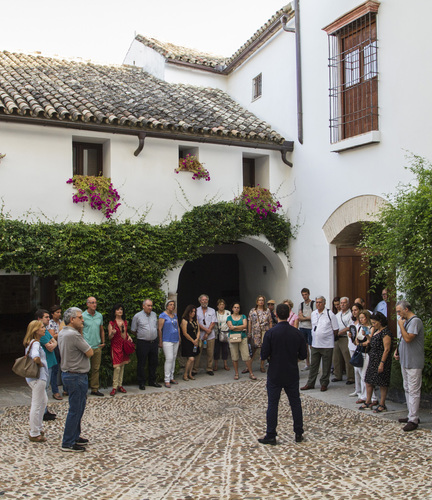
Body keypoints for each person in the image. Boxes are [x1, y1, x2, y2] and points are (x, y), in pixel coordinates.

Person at [258, 303, 307, 445]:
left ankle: (271, 434)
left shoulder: (270, 333)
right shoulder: (297, 333)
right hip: (291, 371)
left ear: (276, 315)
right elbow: (303, 355)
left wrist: (271, 358)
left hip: (275, 372)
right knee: (295, 403)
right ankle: (298, 432)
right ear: (289, 314)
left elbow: (263, 354)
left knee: (273, 404)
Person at [58, 307, 93, 452]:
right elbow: (89, 352)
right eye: (80, 317)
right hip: (76, 375)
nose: (82, 319)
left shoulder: (63, 332)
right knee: (75, 409)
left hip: (69, 374)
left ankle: (75, 435)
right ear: (72, 319)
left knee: (78, 407)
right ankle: (68, 442)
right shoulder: (73, 335)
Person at [395, 300, 424, 432]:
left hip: (414, 362)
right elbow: (403, 340)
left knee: (413, 390)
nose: (398, 314)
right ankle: (411, 414)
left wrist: (400, 325)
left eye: (399, 311)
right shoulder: (406, 322)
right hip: (405, 361)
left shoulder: (415, 321)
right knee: (407, 388)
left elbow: (408, 338)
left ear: (406, 309)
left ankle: (414, 419)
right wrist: (398, 351)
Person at [301, 296, 338, 392]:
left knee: (326, 366)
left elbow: (335, 329)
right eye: (317, 302)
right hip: (315, 344)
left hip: (327, 345)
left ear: (324, 303)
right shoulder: (313, 314)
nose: (318, 304)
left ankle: (324, 383)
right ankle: (310, 383)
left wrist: (327, 337)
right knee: (314, 365)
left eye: (320, 302)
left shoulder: (330, 314)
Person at [359, 312, 392, 413]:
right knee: (368, 380)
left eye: (374, 322)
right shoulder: (377, 331)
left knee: (382, 382)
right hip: (373, 358)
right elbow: (372, 341)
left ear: (380, 321)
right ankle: (368, 401)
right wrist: (367, 336)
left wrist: (382, 363)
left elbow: (386, 349)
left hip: (381, 359)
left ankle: (382, 404)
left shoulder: (386, 332)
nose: (373, 324)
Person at [23, 320, 49, 443]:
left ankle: (38, 428)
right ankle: (34, 432)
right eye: (42, 327)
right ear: (36, 330)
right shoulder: (35, 344)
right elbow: (35, 357)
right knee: (37, 404)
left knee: (43, 401)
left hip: (38, 378)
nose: (44, 328)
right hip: (38, 377)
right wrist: (41, 364)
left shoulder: (33, 343)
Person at [131, 299, 162, 390]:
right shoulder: (137, 316)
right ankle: (141, 382)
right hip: (143, 343)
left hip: (153, 342)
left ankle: (152, 380)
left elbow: (155, 327)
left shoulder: (154, 315)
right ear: (143, 306)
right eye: (148, 306)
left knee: (153, 362)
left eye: (151, 306)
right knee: (141, 363)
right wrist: (142, 335)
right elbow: (133, 330)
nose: (150, 307)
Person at [35, 309, 57, 421]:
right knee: (43, 388)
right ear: (39, 319)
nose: (49, 319)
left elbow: (54, 341)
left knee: (46, 388)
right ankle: (42, 412)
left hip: (50, 362)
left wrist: (53, 343)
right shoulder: (40, 333)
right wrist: (53, 343)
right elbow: (50, 345)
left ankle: (45, 410)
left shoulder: (45, 330)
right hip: (46, 364)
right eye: (46, 317)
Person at [82, 297, 105, 396]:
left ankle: (95, 389)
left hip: (97, 346)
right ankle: (83, 389)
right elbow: (80, 331)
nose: (94, 305)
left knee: (96, 368)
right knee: (84, 369)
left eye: (95, 302)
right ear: (87, 304)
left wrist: (103, 342)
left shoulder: (99, 315)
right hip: (86, 347)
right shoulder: (82, 316)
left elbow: (101, 329)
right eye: (92, 303)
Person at [227, 303, 256, 380]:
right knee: (234, 356)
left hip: (243, 338)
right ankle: (236, 373)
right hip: (233, 338)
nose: (236, 309)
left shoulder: (243, 316)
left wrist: (235, 327)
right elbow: (230, 327)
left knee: (246, 356)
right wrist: (239, 328)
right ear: (232, 308)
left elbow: (244, 325)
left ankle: (251, 373)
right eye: (235, 307)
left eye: (238, 307)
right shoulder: (229, 317)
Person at [108, 303, 132, 396]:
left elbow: (125, 333)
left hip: (124, 346)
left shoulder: (124, 322)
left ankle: (120, 385)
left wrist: (129, 337)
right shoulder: (111, 323)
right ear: (114, 312)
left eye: (121, 309)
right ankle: (114, 386)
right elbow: (109, 337)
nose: (120, 311)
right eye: (118, 309)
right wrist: (112, 333)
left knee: (122, 366)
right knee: (117, 367)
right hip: (116, 346)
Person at [356, 310, 378, 405]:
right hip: (360, 351)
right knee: (361, 373)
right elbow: (356, 340)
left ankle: (372, 397)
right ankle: (364, 395)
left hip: (367, 352)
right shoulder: (360, 327)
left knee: (366, 374)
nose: (361, 319)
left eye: (362, 318)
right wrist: (359, 343)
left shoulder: (370, 327)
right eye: (360, 318)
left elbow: (369, 341)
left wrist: (362, 343)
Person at [158, 299, 181, 388]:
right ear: (167, 306)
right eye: (170, 304)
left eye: (173, 305)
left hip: (175, 339)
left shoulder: (175, 315)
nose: (172, 306)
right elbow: (159, 329)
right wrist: (160, 341)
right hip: (167, 339)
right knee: (169, 358)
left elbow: (177, 327)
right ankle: (166, 379)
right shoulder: (163, 315)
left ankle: (172, 376)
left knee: (174, 358)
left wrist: (179, 337)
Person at [332, 297, 355, 385]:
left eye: (344, 303)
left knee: (347, 358)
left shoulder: (350, 314)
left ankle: (350, 377)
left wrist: (341, 332)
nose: (342, 304)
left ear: (348, 304)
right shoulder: (338, 314)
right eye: (341, 303)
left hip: (345, 337)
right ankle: (337, 375)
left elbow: (350, 326)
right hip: (337, 338)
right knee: (336, 358)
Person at [193, 294, 217, 376]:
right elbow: (196, 322)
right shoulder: (196, 310)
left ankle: (209, 368)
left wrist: (207, 332)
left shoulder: (212, 310)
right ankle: (195, 369)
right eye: (203, 300)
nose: (204, 301)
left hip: (210, 335)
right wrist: (205, 330)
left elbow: (213, 322)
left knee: (210, 352)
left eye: (206, 300)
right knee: (198, 352)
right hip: (200, 335)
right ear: (200, 301)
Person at [248, 295, 273, 373]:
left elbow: (270, 321)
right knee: (253, 349)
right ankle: (248, 366)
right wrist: (249, 332)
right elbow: (250, 322)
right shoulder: (253, 311)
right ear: (257, 301)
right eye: (260, 300)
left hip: (264, 332)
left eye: (262, 300)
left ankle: (262, 366)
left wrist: (271, 331)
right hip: (255, 332)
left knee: (264, 349)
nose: (261, 301)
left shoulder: (267, 311)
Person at [180, 305, 200, 381]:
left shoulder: (195, 320)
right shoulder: (184, 320)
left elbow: (198, 330)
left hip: (195, 341)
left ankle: (190, 374)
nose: (193, 313)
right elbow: (184, 333)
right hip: (188, 342)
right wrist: (193, 340)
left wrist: (197, 339)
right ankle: (185, 374)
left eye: (194, 312)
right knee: (190, 358)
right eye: (192, 312)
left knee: (193, 358)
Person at [298, 288, 315, 371]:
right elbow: (299, 317)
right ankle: (307, 363)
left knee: (312, 346)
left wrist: (304, 317)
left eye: (306, 294)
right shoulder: (301, 305)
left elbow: (314, 316)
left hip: (311, 328)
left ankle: (314, 364)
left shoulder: (313, 304)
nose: (304, 296)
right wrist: (307, 318)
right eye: (303, 295)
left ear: (309, 294)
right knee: (304, 346)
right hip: (302, 327)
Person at [48, 305, 63, 400]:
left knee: (65, 368)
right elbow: (52, 336)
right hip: (55, 347)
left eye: (60, 312)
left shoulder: (62, 322)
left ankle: (66, 389)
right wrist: (62, 333)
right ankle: (55, 391)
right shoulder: (50, 323)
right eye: (57, 312)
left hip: (62, 346)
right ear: (52, 314)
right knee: (55, 370)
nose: (59, 314)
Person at [214, 299, 230, 372]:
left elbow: (230, 321)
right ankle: (216, 364)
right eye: (220, 304)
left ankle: (225, 364)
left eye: (223, 304)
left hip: (225, 332)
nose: (222, 306)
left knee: (225, 349)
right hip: (217, 333)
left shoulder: (228, 313)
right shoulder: (215, 313)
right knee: (216, 349)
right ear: (217, 306)